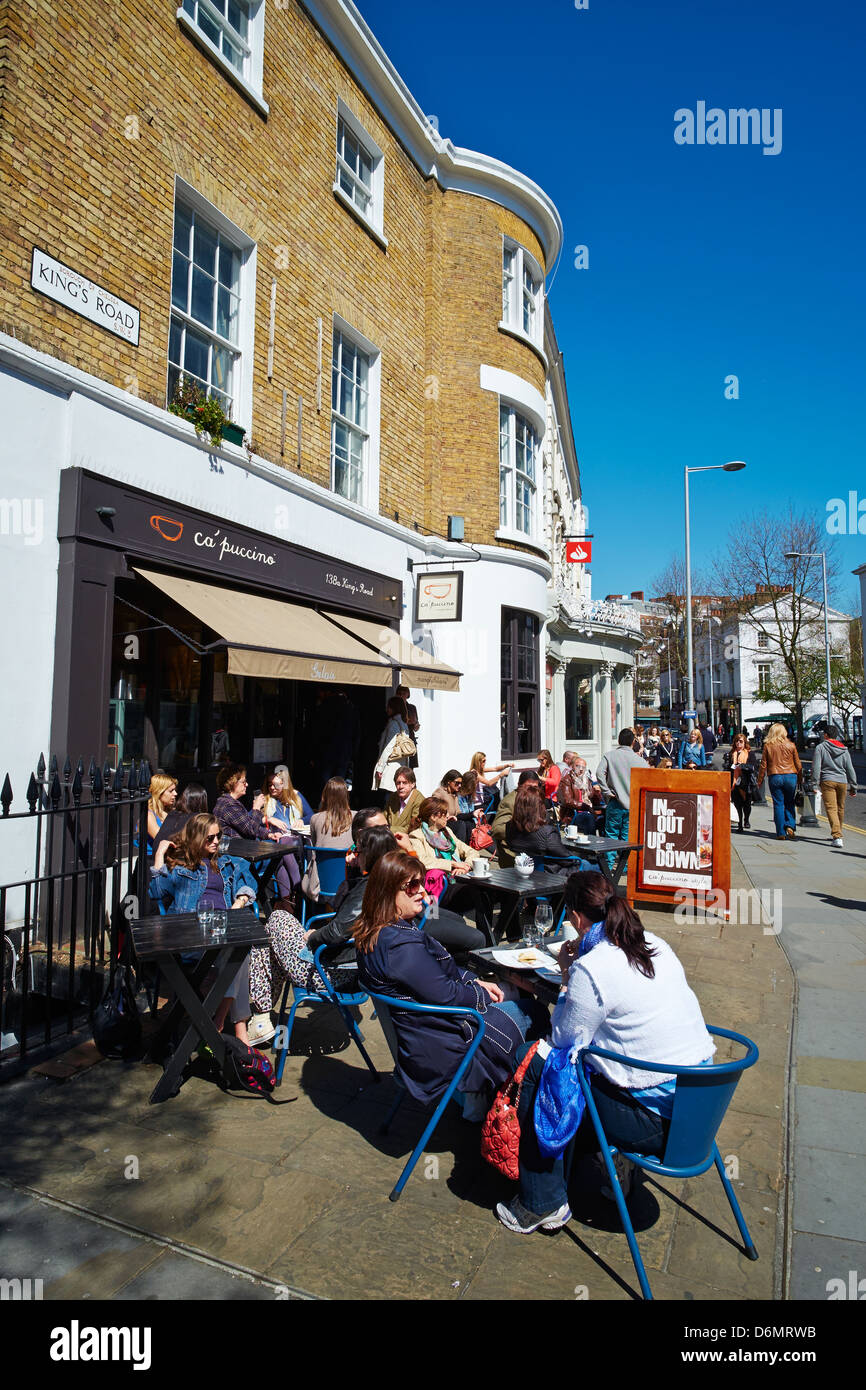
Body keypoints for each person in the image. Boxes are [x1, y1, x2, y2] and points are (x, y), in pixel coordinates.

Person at [495, 870, 715, 1234]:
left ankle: (542, 1202)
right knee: (587, 1064)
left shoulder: (592, 967)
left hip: (658, 1124)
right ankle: (599, 1161)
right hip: (702, 1105)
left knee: (538, 1061)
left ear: (577, 919)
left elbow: (563, 1039)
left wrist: (567, 976)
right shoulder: (655, 943)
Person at [354, 851, 545, 1116]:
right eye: (411, 886)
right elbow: (446, 995)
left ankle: (481, 1097)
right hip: (442, 1048)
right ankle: (528, 1109)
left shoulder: (375, 933)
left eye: (420, 883)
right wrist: (479, 992)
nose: (421, 891)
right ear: (388, 893)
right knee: (533, 1011)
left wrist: (474, 980)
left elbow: (432, 977)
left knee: (510, 990)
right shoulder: (400, 945)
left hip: (417, 1037)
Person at [149, 814, 259, 1043]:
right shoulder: (180, 869)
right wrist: (159, 854)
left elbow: (248, 876)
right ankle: (234, 1028)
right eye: (210, 837)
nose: (216, 841)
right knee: (239, 953)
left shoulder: (224, 862)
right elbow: (156, 891)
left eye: (219, 835)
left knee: (240, 952)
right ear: (196, 838)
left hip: (221, 928)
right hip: (193, 938)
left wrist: (240, 900)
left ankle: (224, 1024)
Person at [213, 764, 300, 909]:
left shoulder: (232, 803)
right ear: (232, 783)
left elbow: (247, 825)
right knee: (278, 859)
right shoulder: (227, 805)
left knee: (279, 859)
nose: (247, 784)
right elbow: (250, 830)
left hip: (243, 853)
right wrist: (256, 808)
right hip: (237, 858)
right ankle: (294, 896)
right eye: (243, 781)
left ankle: (286, 903)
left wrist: (269, 834)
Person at [596, 729, 646, 868]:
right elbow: (648, 778)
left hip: (615, 801)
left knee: (611, 834)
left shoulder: (609, 756)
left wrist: (606, 791)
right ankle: (624, 866)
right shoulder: (639, 760)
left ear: (619, 741)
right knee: (626, 837)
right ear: (633, 742)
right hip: (633, 803)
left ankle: (609, 864)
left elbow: (599, 773)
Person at [304, 777, 353, 903]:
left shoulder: (315, 819)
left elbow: (315, 846)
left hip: (322, 883)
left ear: (324, 796)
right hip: (349, 882)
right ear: (346, 796)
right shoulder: (356, 817)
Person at [505, 783, 579, 866]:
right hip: (550, 873)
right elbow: (566, 859)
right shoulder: (547, 833)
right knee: (587, 864)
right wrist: (578, 860)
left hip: (521, 869)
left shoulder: (509, 826)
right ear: (539, 807)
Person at [811, 725, 857, 847]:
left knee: (831, 808)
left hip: (827, 781)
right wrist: (854, 786)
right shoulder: (844, 749)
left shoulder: (820, 747)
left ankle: (837, 836)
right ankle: (838, 833)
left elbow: (816, 767)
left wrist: (814, 784)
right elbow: (850, 768)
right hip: (842, 781)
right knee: (840, 808)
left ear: (826, 735)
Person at [756, 723, 803, 840]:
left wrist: (759, 780)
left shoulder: (768, 746)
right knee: (789, 802)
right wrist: (800, 779)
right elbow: (798, 764)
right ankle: (790, 826)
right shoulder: (791, 745)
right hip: (790, 776)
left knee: (778, 804)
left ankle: (780, 832)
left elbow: (763, 765)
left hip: (775, 776)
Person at [492, 770, 543, 867]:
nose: (532, 790)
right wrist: (521, 826)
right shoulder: (509, 801)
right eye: (528, 787)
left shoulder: (536, 798)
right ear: (519, 785)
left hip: (533, 848)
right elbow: (497, 830)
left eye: (535, 787)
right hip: (513, 853)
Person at [153, 783, 208, 853]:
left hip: (157, 856)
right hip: (176, 859)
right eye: (171, 791)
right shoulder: (197, 819)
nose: (175, 794)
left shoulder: (172, 814)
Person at [556, 757, 600, 835]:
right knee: (589, 818)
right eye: (578, 766)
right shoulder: (567, 780)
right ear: (572, 767)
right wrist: (585, 806)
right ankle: (593, 843)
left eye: (583, 767)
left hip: (588, 811)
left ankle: (604, 844)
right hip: (572, 813)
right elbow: (567, 801)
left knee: (604, 820)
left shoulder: (587, 780)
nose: (581, 769)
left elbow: (594, 800)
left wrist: (597, 793)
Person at [725, 734, 758, 832]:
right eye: (737, 741)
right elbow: (728, 767)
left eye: (741, 741)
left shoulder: (749, 753)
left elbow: (753, 766)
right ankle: (740, 824)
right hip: (735, 782)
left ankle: (746, 819)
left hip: (746, 781)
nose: (738, 743)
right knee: (737, 804)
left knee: (747, 804)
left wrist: (741, 766)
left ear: (745, 743)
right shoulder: (732, 753)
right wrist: (732, 766)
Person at [262, 767, 313, 831]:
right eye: (270, 784)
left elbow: (312, 816)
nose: (272, 787)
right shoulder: (264, 798)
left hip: (293, 837)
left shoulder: (295, 796)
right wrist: (268, 819)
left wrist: (302, 821)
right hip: (271, 838)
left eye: (276, 785)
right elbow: (250, 820)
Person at [469, 751, 514, 816]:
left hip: (483, 800)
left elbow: (495, 768)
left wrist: (507, 765)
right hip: (477, 805)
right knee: (499, 802)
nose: (485, 763)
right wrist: (501, 775)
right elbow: (489, 783)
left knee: (498, 796)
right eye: (483, 761)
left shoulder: (479, 770)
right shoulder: (474, 773)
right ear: (478, 762)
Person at [386, 767, 425, 835]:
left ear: (412, 784)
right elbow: (384, 817)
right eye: (398, 783)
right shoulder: (393, 797)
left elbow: (413, 827)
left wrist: (388, 829)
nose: (401, 786)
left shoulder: (419, 801)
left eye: (404, 783)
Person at [147, 773, 178, 854]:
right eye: (171, 791)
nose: (175, 793)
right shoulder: (149, 815)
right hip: (152, 860)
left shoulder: (171, 811)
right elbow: (162, 840)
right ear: (159, 792)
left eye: (174, 790)